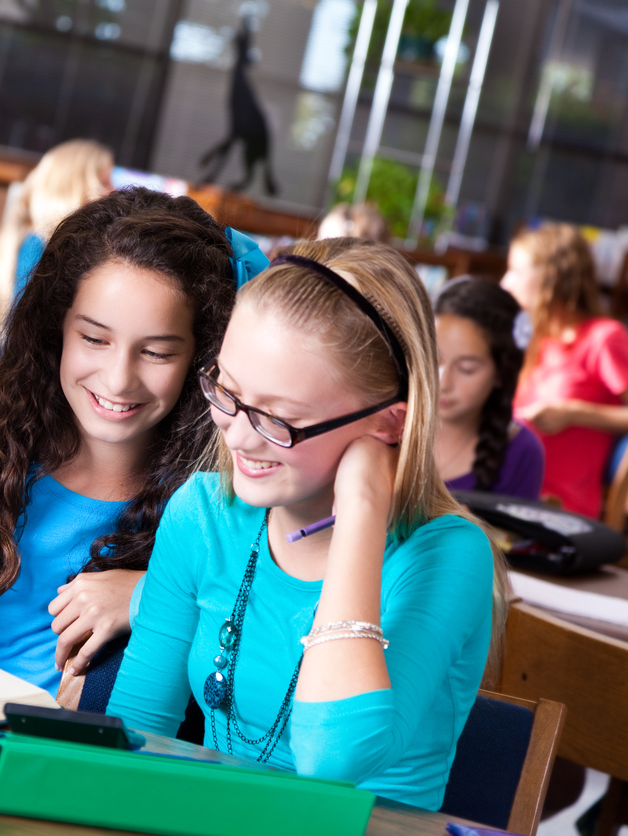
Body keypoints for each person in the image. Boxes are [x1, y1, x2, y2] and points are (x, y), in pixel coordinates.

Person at [106, 238, 505, 810]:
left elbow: (333, 759)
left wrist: (363, 508)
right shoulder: (204, 514)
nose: (237, 435)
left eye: (277, 419)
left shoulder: (448, 554)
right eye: (228, 391)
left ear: (389, 424)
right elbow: (134, 735)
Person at [0, 187, 255, 695]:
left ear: (203, 361)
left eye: (155, 352)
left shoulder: (215, 508)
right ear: (54, 329)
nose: (118, 378)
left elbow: (259, 625)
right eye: (93, 339)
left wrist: (148, 594)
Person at [0, 139, 113, 409]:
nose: (113, 191)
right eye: (104, 182)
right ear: (74, 187)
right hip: (5, 393)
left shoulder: (32, 241)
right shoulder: (43, 253)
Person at [503, 223, 628, 518]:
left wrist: (573, 412)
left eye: (516, 272)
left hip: (560, 508)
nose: (505, 283)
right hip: (512, 492)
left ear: (551, 278)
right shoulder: (537, 339)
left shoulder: (603, 338)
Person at [434, 278, 544, 498]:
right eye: (433, 359)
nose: (443, 383)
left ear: (501, 374)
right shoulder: (387, 424)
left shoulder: (522, 451)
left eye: (466, 369)